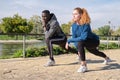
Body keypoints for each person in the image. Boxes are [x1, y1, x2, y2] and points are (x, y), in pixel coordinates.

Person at [65, 7, 111, 73]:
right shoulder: (74, 26)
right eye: (73, 14)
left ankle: (84, 66)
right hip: (84, 42)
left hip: (94, 41)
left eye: (75, 14)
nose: (73, 16)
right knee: (95, 52)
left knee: (81, 43)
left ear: (80, 15)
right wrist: (78, 49)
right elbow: (74, 38)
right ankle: (107, 58)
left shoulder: (86, 24)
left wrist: (69, 40)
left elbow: (83, 37)